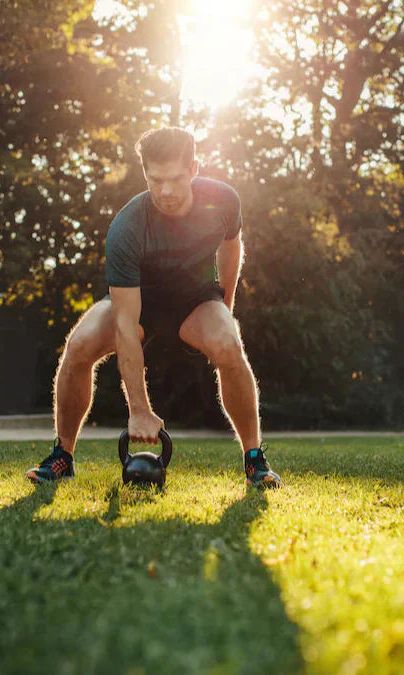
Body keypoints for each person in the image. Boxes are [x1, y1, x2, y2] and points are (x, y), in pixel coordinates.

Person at [25, 127, 282, 488]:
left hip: (195, 301)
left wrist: (225, 306)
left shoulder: (223, 201)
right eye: (155, 179)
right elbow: (126, 326)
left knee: (229, 343)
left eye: (175, 179)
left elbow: (231, 245)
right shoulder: (126, 229)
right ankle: (62, 457)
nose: (165, 191)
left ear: (194, 168)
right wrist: (140, 411)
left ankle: (254, 459)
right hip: (139, 302)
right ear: (143, 171)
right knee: (79, 345)